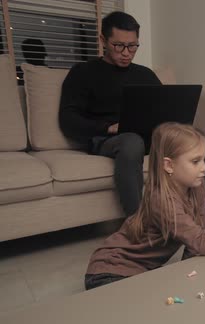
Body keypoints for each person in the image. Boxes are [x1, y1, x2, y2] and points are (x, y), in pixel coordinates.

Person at [85, 123, 205, 290]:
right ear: (169, 165)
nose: (204, 168)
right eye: (195, 161)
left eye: (204, 160)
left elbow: (194, 243)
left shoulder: (196, 185)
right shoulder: (162, 200)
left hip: (143, 270)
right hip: (109, 271)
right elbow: (201, 241)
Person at [59, 11, 161, 216]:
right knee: (131, 141)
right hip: (108, 139)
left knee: (195, 137)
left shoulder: (145, 74)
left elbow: (162, 105)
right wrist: (108, 127)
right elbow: (68, 119)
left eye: (132, 46)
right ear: (103, 40)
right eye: (119, 46)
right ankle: (137, 224)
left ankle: (195, 216)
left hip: (147, 135)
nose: (126, 53)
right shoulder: (83, 72)